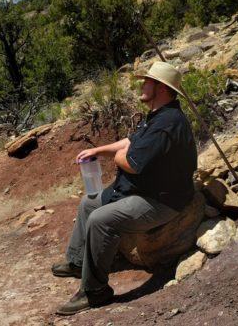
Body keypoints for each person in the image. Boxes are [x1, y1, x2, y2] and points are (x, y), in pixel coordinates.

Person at [52, 61, 197, 316]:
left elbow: (131, 162)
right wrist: (99, 150)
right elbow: (131, 141)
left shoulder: (167, 123)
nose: (141, 85)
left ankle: (95, 291)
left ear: (161, 87)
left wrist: (118, 157)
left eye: (147, 81)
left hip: (161, 200)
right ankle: (78, 262)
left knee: (100, 219)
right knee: (89, 203)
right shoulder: (160, 115)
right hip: (145, 189)